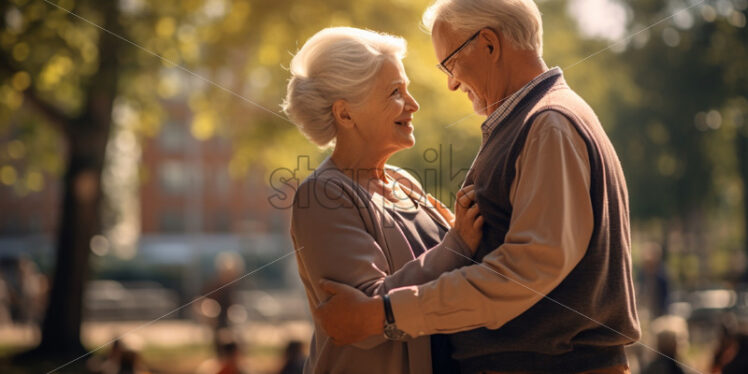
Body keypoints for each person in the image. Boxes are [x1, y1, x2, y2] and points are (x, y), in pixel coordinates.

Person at [313, 1, 641, 373]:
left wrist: (384, 313)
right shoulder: (538, 122)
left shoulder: (549, 125)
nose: (451, 83)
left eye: (449, 63)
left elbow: (526, 270)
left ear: (489, 44)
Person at [282, 27, 484, 374]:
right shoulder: (322, 195)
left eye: (407, 89)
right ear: (345, 114)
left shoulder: (406, 183)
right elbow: (366, 322)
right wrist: (457, 244)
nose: (413, 104)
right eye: (395, 92)